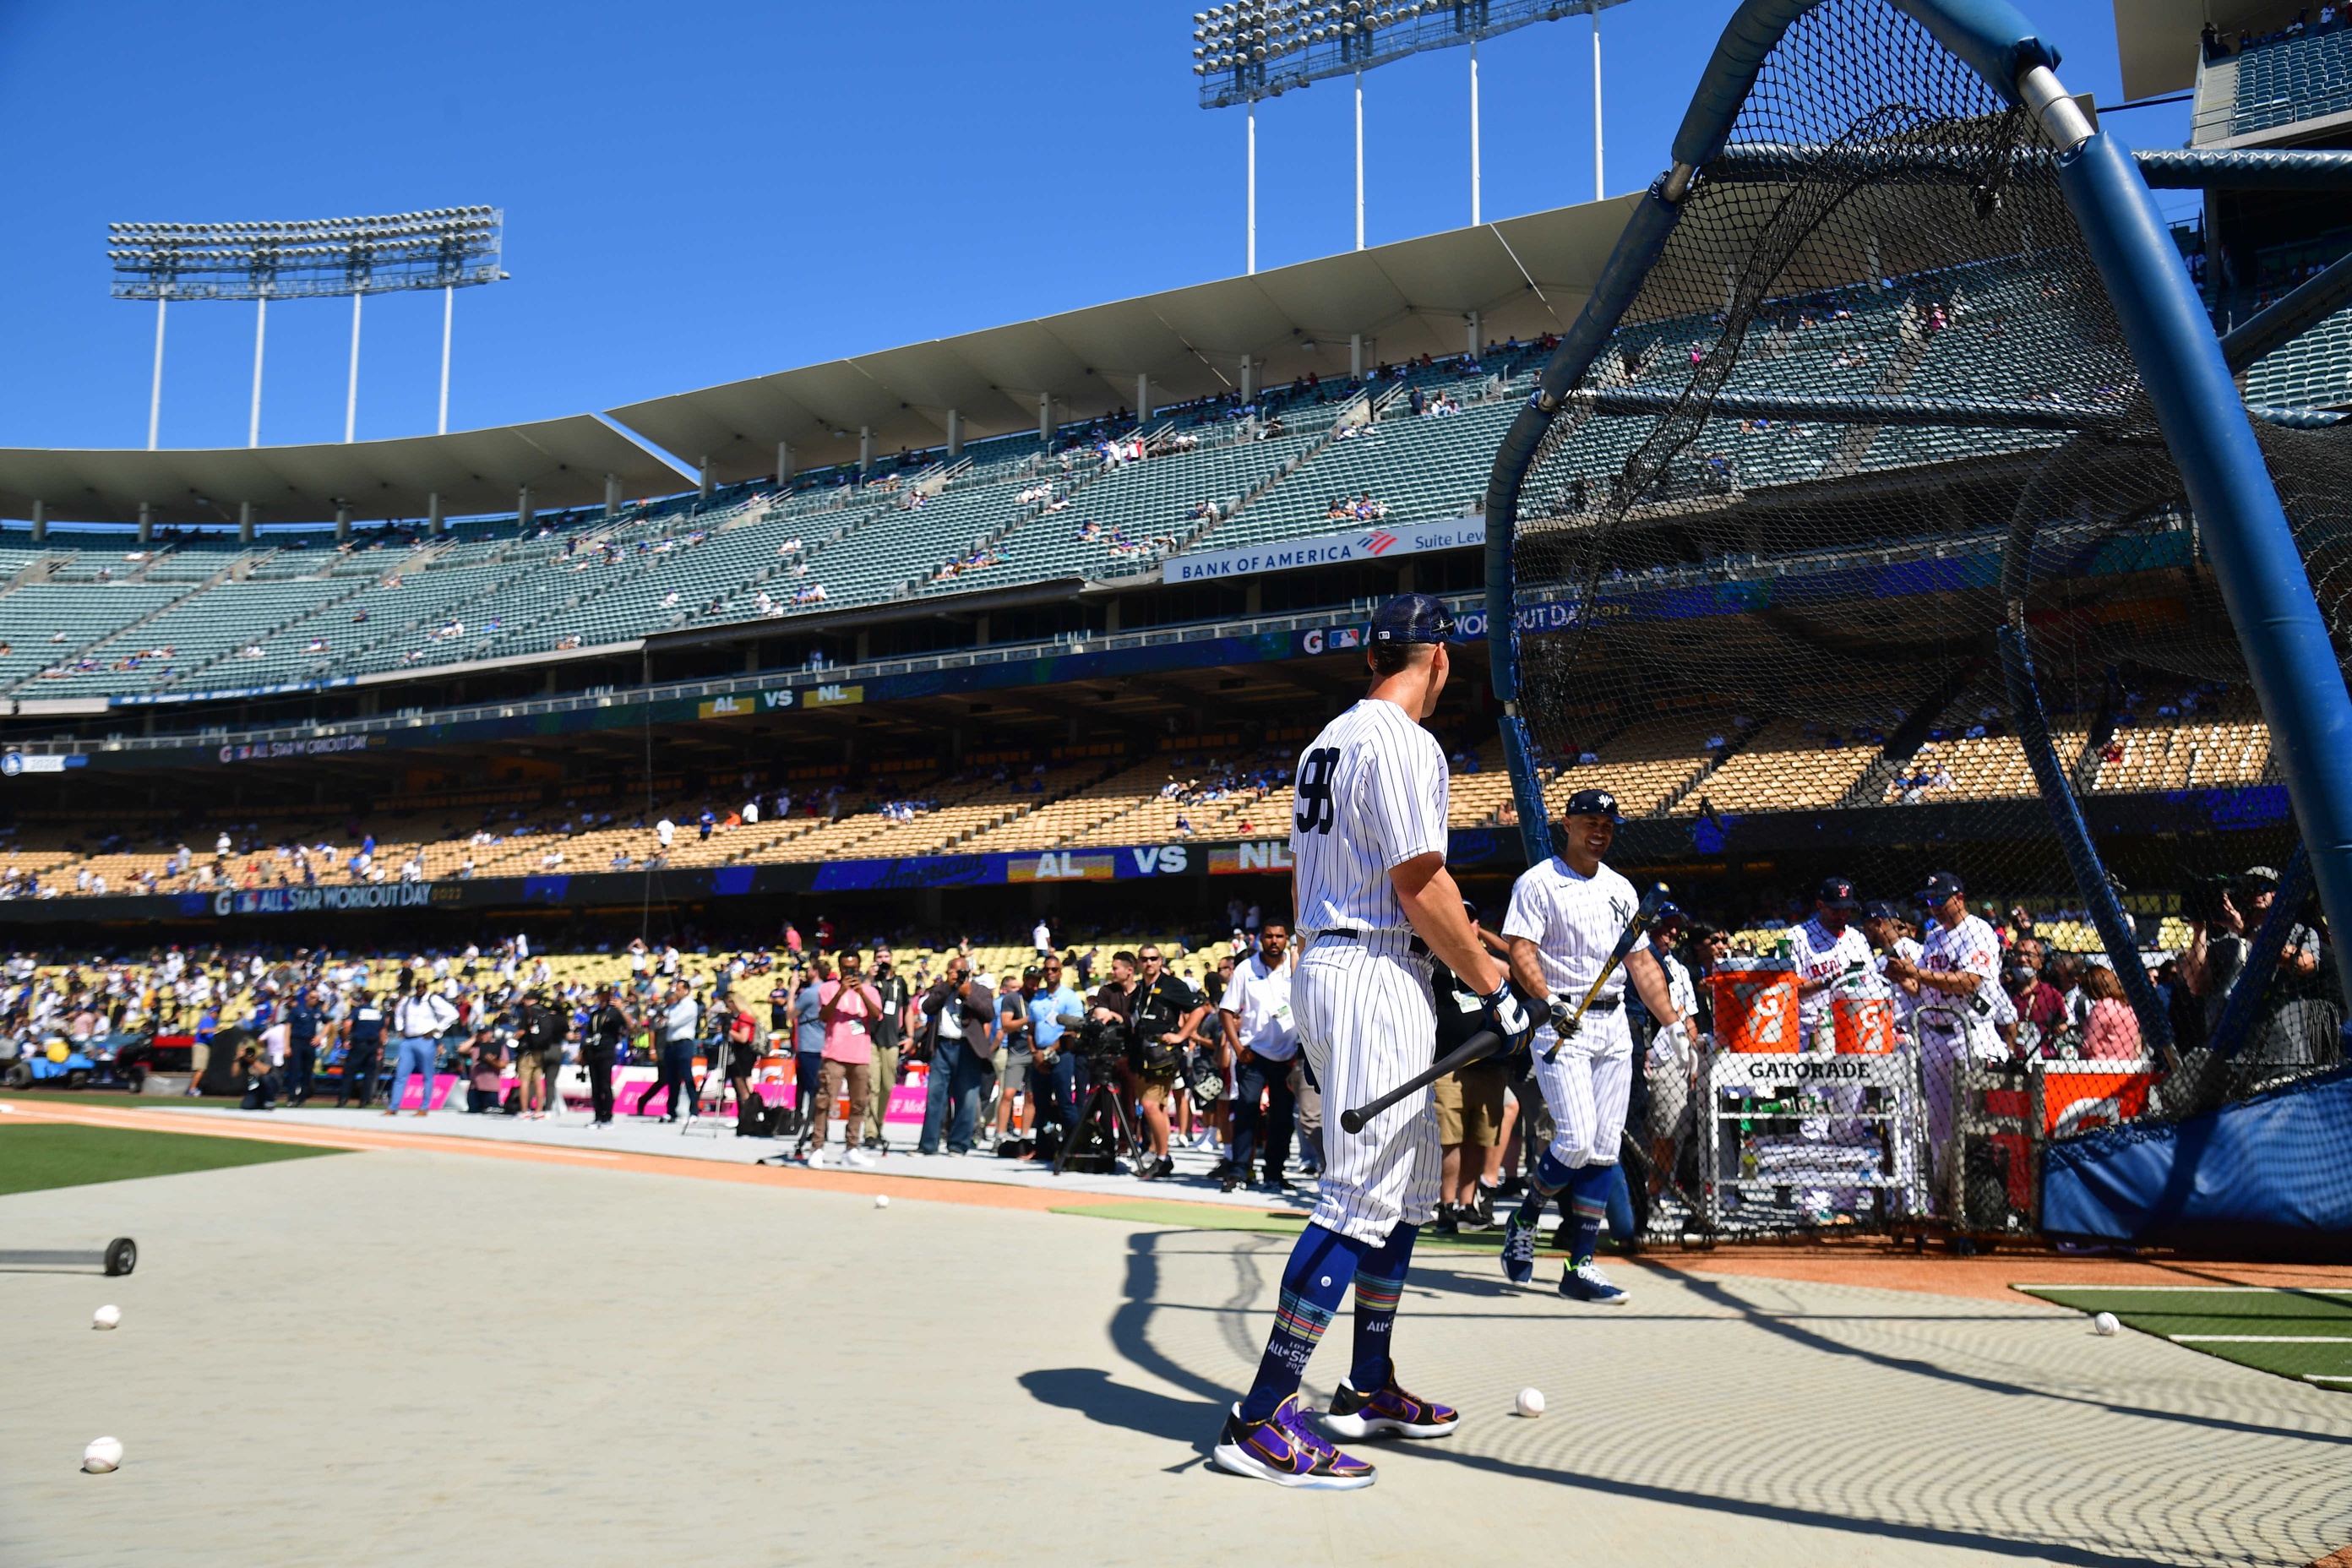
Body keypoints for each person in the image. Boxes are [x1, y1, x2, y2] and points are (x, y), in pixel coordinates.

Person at [1212, 592, 1529, 1492]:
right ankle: (1264, 1412)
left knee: (1406, 1192)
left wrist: (1482, 947)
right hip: (1370, 970)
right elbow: (1418, 881)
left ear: (1369, 655)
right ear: (1437, 658)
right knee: (1355, 1196)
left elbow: (1416, 882)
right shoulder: (1406, 740)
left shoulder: (1331, 737)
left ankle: (1367, 1383)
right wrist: (1490, 980)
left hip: (1352, 961)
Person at [1497, 788, 1694, 1304]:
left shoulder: (1622, 890)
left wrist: (1672, 1023)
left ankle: (1578, 1267)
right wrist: (1546, 999)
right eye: (1590, 820)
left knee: (1604, 1149)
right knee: (1577, 1140)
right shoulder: (1538, 882)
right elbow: (1521, 951)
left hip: (1613, 1025)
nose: (1600, 829)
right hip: (1562, 1021)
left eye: (1608, 822)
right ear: (1568, 824)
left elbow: (1642, 964)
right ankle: (1526, 1215)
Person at [1882, 871, 2001, 1206]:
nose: (1932, 907)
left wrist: (1915, 973)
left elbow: (1969, 982)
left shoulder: (1979, 931)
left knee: (1971, 1122)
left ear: (1959, 898)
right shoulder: (1934, 936)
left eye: (1939, 899)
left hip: (1968, 1035)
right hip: (1933, 1034)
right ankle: (1943, 1198)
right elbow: (1920, 989)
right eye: (1929, 901)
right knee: (1936, 1123)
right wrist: (1902, 976)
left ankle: (1975, 1198)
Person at [1220, 921, 1298, 1195]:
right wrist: (1238, 1048)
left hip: (1289, 1056)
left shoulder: (1296, 966)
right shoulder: (1245, 969)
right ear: (1260, 940)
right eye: (1269, 936)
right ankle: (1238, 1172)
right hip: (1254, 1054)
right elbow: (1226, 1011)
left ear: (1285, 940)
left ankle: (1275, 1173)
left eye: (1279, 936)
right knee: (1247, 1111)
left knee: (1282, 1118)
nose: (1274, 941)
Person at [809, 952, 881, 1168]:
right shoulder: (828, 988)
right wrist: (842, 991)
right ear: (839, 968)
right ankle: (817, 1147)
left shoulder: (870, 990)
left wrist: (861, 992)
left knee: (859, 1102)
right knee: (824, 1101)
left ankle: (852, 1148)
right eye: (846, 968)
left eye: (854, 968)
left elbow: (876, 1014)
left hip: (860, 1055)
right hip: (834, 1054)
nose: (850, 972)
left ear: (860, 967)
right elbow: (824, 1016)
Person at [917, 955, 993, 1156]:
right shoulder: (941, 989)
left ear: (968, 972)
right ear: (948, 972)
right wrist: (946, 988)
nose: (958, 975)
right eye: (954, 971)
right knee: (935, 1096)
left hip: (968, 1048)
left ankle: (958, 1145)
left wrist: (968, 996)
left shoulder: (980, 991)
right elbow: (927, 1008)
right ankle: (928, 1145)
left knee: (967, 1098)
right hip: (942, 1046)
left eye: (962, 972)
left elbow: (988, 1014)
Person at [1024, 953, 1085, 1147]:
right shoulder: (1037, 998)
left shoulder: (1070, 997)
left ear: (1060, 972)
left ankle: (1074, 1146)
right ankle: (1042, 1146)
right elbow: (1031, 1030)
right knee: (1040, 1104)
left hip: (1062, 1055)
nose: (1050, 973)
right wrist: (1035, 1053)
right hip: (1039, 1056)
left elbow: (1074, 1030)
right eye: (1046, 970)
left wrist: (1048, 1051)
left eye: (1054, 969)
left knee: (1065, 1101)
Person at [387, 977, 457, 1118]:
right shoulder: (407, 1001)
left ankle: (424, 1107)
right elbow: (398, 1014)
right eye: (418, 986)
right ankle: (393, 1107)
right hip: (408, 1040)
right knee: (401, 1074)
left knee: (427, 1075)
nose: (420, 989)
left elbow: (453, 1014)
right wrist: (400, 1029)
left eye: (423, 986)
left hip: (425, 1040)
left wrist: (437, 1030)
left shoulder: (433, 1000)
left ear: (426, 987)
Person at [863, 956, 911, 1152]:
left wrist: (909, 1035)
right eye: (879, 958)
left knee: (887, 1086)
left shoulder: (899, 982)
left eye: (886, 957)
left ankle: (879, 1125)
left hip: (892, 1040)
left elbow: (907, 1009)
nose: (883, 961)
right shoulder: (870, 982)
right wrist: (868, 979)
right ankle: (870, 1132)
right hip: (871, 1039)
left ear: (892, 959)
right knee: (872, 1086)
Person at [636, 980, 700, 1122]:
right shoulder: (674, 1006)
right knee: (672, 1079)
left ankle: (694, 1111)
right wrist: (665, 1019)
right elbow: (662, 1018)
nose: (675, 992)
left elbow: (673, 1022)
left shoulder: (691, 1005)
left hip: (684, 1043)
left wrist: (666, 1020)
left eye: (678, 990)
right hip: (670, 1044)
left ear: (686, 990)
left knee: (687, 1076)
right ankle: (671, 1110)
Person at [580, 983, 631, 1129]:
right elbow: (589, 1034)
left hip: (607, 1051)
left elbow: (631, 1026)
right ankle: (597, 1116)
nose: (603, 998)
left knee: (605, 1085)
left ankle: (607, 1117)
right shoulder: (594, 1014)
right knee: (595, 1086)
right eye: (601, 995)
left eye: (606, 995)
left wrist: (621, 1009)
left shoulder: (615, 1012)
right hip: (593, 1052)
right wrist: (583, 1052)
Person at [514, 987, 566, 1120]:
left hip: (527, 1051)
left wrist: (514, 1038)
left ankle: (524, 1111)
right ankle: (539, 1111)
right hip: (541, 1050)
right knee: (538, 1081)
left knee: (525, 1081)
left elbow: (522, 1031)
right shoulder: (544, 1012)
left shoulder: (528, 1012)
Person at [2080, 964, 2142, 1059]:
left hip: (2101, 1065)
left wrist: (2079, 1048)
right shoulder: (2128, 1005)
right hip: (2126, 1063)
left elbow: (2090, 1044)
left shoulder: (2103, 1007)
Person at [336, 989, 384, 1108]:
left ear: (362, 999)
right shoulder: (378, 1013)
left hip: (359, 1044)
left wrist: (344, 1040)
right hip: (373, 1045)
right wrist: (380, 1047)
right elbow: (383, 1032)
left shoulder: (357, 1011)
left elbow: (347, 1025)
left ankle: (343, 1099)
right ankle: (364, 1101)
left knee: (349, 1072)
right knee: (369, 1074)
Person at [285, 985, 321, 1106]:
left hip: (310, 1042)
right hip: (297, 1041)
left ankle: (302, 1099)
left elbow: (329, 1023)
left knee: (307, 1071)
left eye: (316, 998)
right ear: (307, 997)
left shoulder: (317, 1011)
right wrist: (287, 1045)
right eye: (313, 997)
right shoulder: (297, 1010)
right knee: (294, 1070)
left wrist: (320, 1036)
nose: (315, 1000)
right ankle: (291, 1097)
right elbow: (288, 1027)